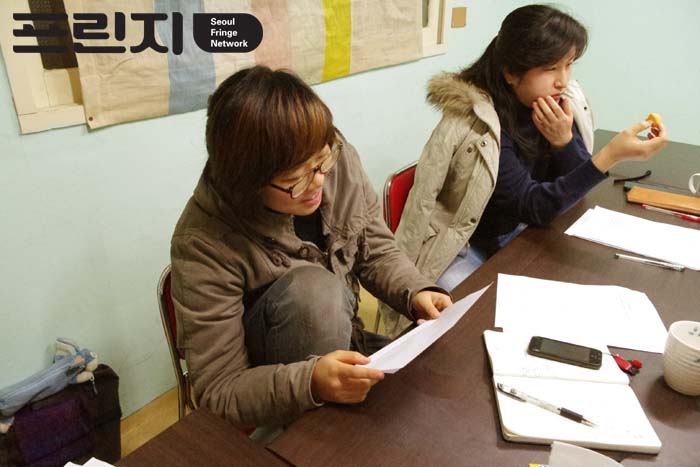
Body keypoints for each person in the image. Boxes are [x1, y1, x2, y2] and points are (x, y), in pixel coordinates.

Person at [169, 65, 452, 429]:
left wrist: (415, 291)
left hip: (347, 345)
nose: (318, 181)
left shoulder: (334, 158)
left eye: (322, 162)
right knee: (314, 291)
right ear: (246, 184)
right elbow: (220, 390)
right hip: (275, 385)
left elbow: (376, 248)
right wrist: (311, 381)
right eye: (295, 180)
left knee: (436, 397)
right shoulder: (202, 243)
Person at [379, 4, 668, 338]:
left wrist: (564, 142)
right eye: (550, 68)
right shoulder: (479, 124)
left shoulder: (550, 105)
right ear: (511, 72)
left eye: (569, 65)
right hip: (461, 245)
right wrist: (609, 156)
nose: (563, 80)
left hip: (518, 233)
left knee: (570, 305)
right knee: (479, 328)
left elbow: (574, 193)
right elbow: (534, 205)